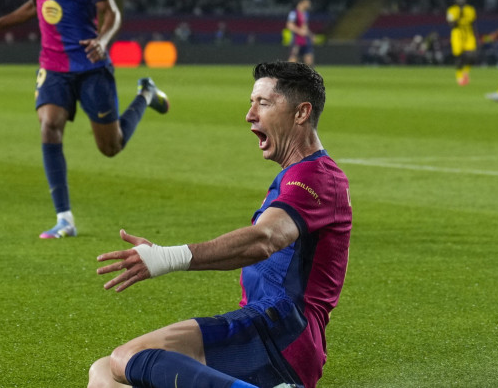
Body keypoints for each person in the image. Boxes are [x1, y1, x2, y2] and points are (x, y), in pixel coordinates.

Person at [90, 61, 351, 388]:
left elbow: (264, 239)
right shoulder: (298, 175)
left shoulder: (318, 177)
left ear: (301, 113)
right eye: (251, 103)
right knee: (104, 373)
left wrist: (166, 257)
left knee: (127, 357)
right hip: (266, 327)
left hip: (281, 332)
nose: (250, 115)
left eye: (263, 103)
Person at [0, 0, 170, 239]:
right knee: (49, 125)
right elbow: (36, 3)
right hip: (53, 65)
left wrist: (103, 41)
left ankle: (146, 94)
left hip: (90, 65)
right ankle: (64, 218)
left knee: (110, 147)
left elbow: (112, 12)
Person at [446, 0, 477, 86]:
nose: (461, 2)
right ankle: (459, 75)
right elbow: (451, 24)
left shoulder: (470, 10)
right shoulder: (451, 10)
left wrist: (475, 35)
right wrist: (459, 15)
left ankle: (465, 71)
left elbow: (472, 22)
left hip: (468, 34)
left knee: (472, 55)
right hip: (457, 34)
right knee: (458, 56)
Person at [286, 0, 314, 66]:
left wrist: (310, 35)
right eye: (307, 2)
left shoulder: (306, 14)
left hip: (306, 41)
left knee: (309, 61)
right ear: (302, 2)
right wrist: (299, 31)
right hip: (296, 41)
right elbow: (289, 25)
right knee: (293, 61)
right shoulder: (293, 13)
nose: (309, 4)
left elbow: (305, 27)